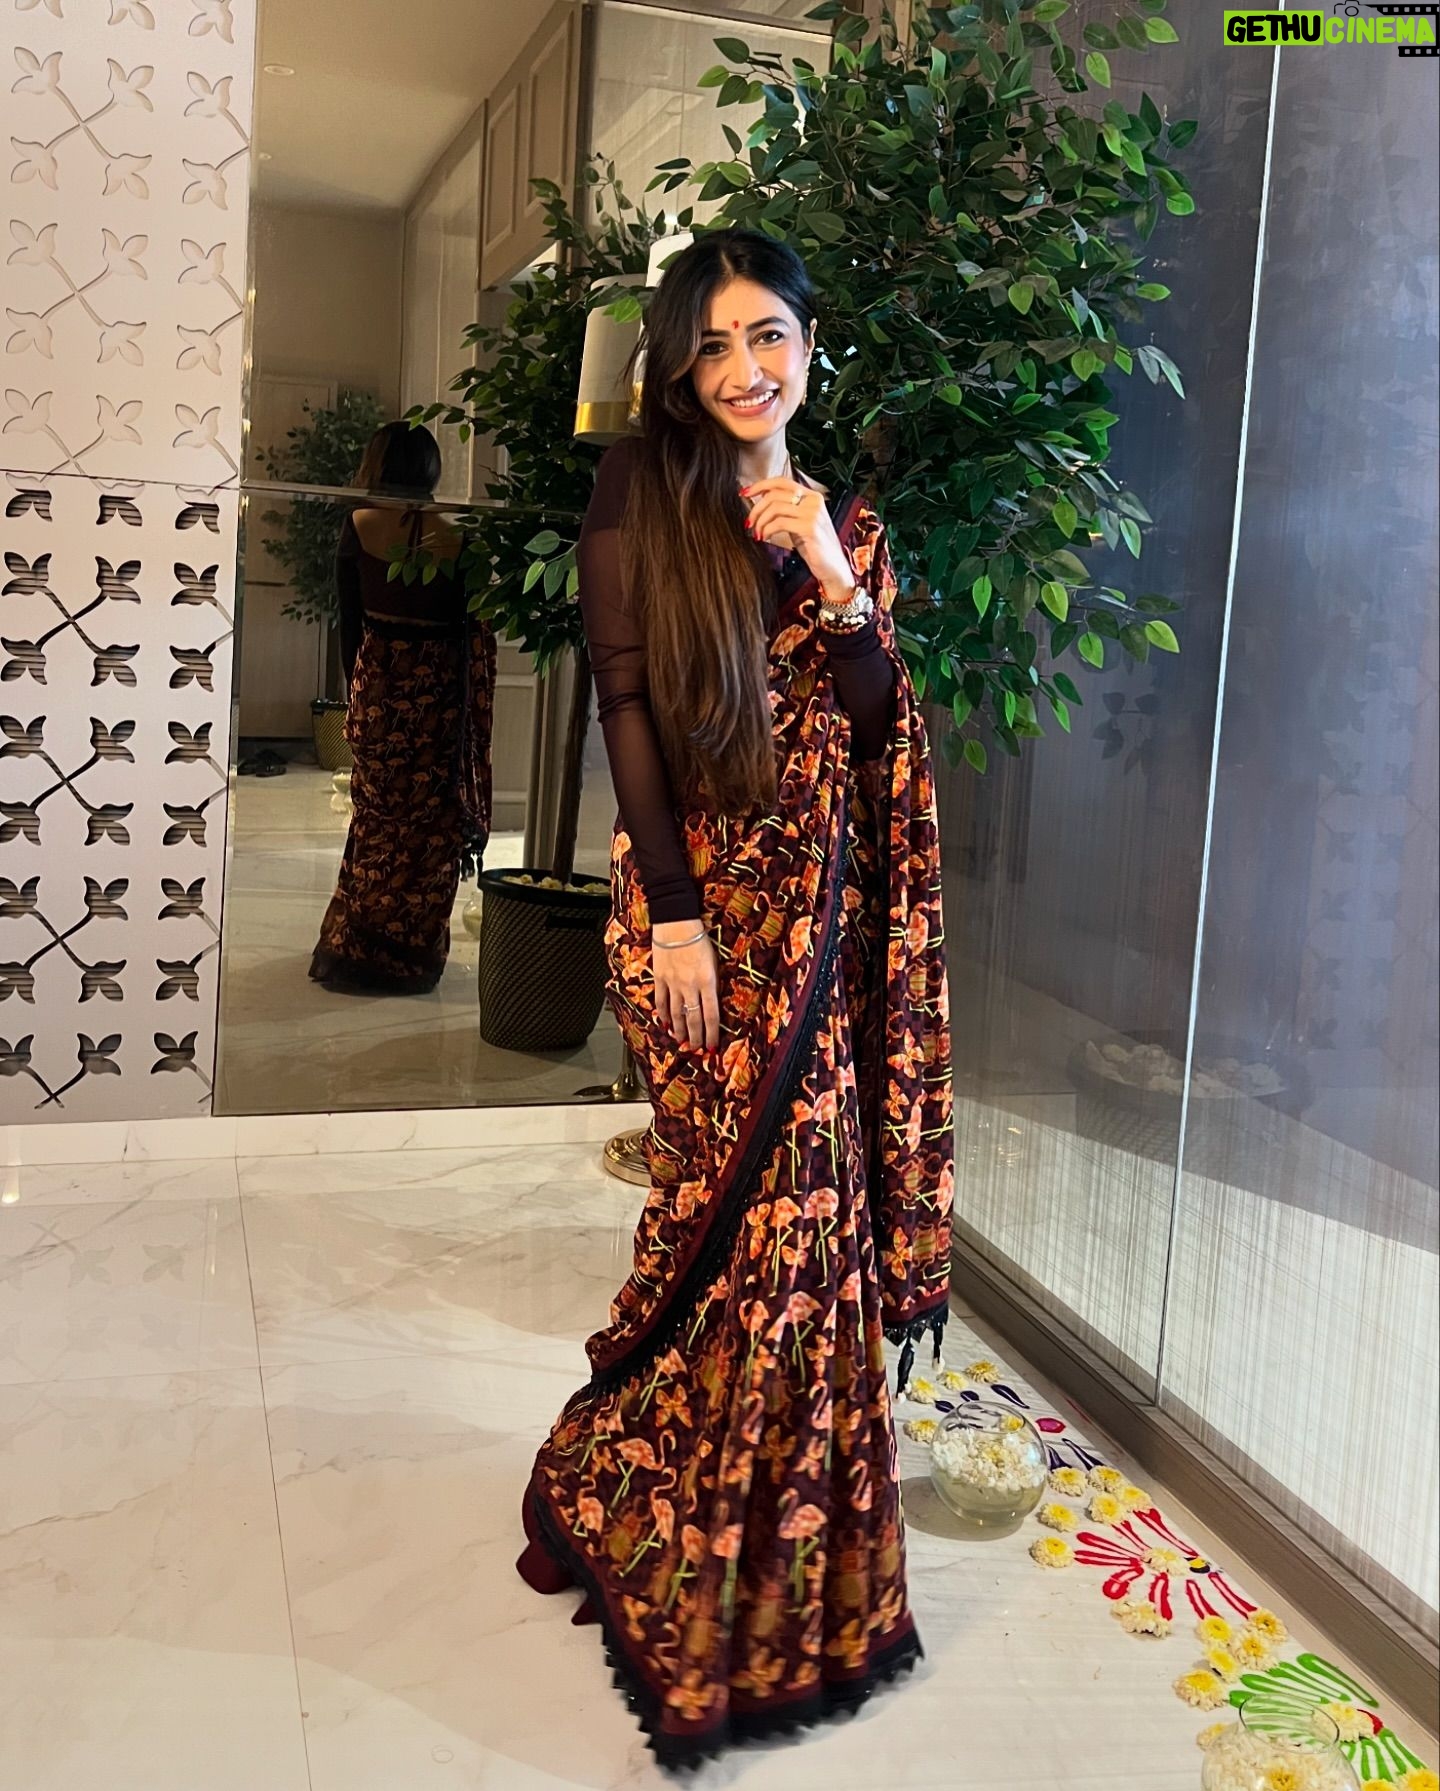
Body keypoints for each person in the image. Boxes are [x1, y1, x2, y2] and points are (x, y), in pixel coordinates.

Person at [516, 229, 955, 1768]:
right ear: (678, 368)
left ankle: (769, 1570)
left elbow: (882, 731)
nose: (745, 367)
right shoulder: (640, 490)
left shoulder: (846, 524)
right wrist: (684, 916)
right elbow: (627, 706)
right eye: (712, 344)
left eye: (768, 334)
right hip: (692, 921)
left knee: (802, 1243)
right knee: (724, 1218)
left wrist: (829, 571)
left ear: (810, 346)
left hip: (817, 929)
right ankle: (641, 1500)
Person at [309, 423, 496, 995]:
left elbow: (350, 624)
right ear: (432, 471)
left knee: (376, 821)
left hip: (381, 692)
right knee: (429, 828)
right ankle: (412, 957)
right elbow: (473, 630)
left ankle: (356, 948)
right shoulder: (460, 537)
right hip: (439, 701)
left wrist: (359, 695)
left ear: (379, 464)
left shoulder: (360, 523)